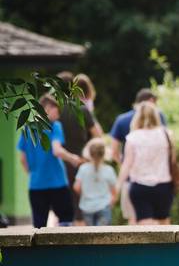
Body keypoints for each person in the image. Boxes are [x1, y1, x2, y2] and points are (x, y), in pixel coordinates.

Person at [16, 95, 83, 228]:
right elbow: (57, 150)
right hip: (57, 182)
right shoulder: (55, 126)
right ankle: (64, 248)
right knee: (66, 219)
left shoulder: (27, 128)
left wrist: (33, 173)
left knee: (39, 226)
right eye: (56, 110)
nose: (58, 115)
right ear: (47, 109)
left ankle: (39, 250)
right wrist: (73, 159)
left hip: (36, 185)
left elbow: (22, 159)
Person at [110, 89, 167, 225]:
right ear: (151, 101)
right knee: (160, 222)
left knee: (134, 219)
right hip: (160, 180)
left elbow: (114, 152)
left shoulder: (122, 120)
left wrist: (125, 166)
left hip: (133, 180)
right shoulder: (160, 118)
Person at [56, 71, 104, 224]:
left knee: (62, 206)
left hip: (60, 163)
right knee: (81, 207)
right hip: (82, 162)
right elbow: (98, 136)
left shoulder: (53, 111)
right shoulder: (82, 109)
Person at [73, 139, 118, 226]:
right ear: (104, 153)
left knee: (91, 236)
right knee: (102, 236)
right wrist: (111, 203)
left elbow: (76, 187)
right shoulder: (109, 170)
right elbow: (114, 192)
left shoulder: (83, 168)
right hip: (104, 206)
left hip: (87, 206)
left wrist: (85, 194)